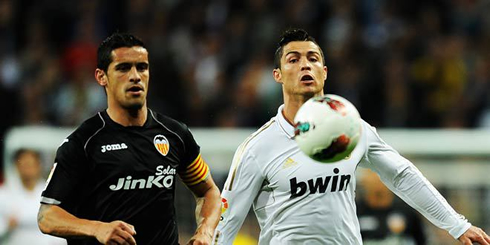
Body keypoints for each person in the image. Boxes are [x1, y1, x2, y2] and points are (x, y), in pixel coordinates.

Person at [213, 28, 490, 245]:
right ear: (277, 75)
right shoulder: (258, 147)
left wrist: (458, 224)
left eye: (313, 59)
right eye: (293, 60)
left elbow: (402, 175)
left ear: (324, 72)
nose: (305, 65)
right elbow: (226, 221)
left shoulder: (350, 128)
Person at [37, 33, 221, 245]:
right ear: (101, 77)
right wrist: (97, 228)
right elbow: (47, 216)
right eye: (123, 68)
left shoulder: (175, 134)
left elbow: (208, 191)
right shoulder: (84, 142)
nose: (135, 76)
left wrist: (205, 230)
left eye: (142, 67)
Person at [0, 149, 65, 245]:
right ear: (16, 166)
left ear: (38, 166)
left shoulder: (52, 193)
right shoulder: (4, 194)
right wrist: (7, 225)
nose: (28, 169)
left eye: (31, 164)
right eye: (24, 165)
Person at [357, 169, 426, 245]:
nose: (377, 180)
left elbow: (420, 239)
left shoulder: (406, 210)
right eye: (372, 174)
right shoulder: (354, 211)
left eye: (380, 175)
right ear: (363, 181)